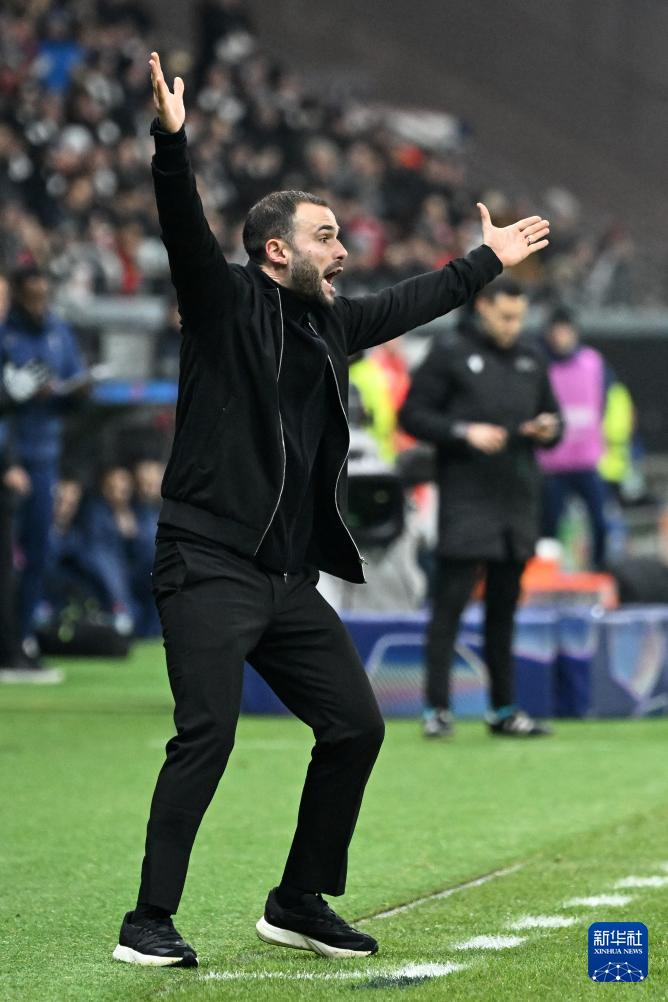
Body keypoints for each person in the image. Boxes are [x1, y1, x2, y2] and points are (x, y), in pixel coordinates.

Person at [112, 51, 550, 970]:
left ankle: (298, 901)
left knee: (356, 725)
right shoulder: (224, 302)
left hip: (284, 579)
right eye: (325, 236)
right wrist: (170, 143)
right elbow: (182, 225)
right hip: (207, 563)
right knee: (208, 734)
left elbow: (414, 300)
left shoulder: (330, 323)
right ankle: (147, 920)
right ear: (277, 250)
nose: (343, 248)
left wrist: (485, 261)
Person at [399, 278, 562, 740]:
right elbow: (412, 415)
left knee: (504, 610)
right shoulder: (449, 351)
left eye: (520, 318)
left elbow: (555, 420)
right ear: (484, 308)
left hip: (517, 501)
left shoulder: (531, 356)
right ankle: (437, 709)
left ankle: (503, 710)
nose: (514, 326)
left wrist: (548, 429)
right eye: (506, 316)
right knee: (449, 607)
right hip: (466, 500)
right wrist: (464, 432)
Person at [0, 266, 86, 665]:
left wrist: (74, 392)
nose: (39, 304)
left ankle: (23, 636)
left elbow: (73, 384)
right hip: (12, 457)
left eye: (43, 296)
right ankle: (8, 640)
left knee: (39, 550)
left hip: (45, 455)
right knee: (7, 555)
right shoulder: (7, 334)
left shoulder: (58, 331)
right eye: (31, 296)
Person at [538, 307, 612, 569]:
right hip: (552, 463)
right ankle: (547, 575)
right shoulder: (541, 365)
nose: (561, 337)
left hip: (586, 460)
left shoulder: (593, 362)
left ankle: (599, 568)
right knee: (549, 526)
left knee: (600, 521)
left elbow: (606, 400)